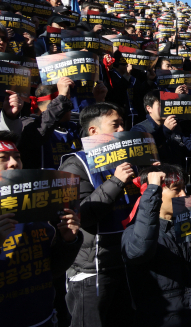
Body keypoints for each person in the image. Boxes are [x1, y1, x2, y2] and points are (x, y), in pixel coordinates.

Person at [121, 164, 191, 327]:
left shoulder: (186, 227)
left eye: (184, 188)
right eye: (176, 189)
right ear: (156, 192)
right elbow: (139, 251)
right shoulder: (133, 232)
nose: (184, 195)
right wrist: (152, 190)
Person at [59, 103, 138, 327]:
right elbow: (82, 214)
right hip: (93, 269)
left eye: (123, 123)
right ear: (93, 131)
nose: (123, 129)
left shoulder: (126, 161)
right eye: (116, 125)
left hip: (125, 261)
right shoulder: (75, 164)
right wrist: (116, 181)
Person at [0, 131, 83, 327]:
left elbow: (52, 269)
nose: (13, 163)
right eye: (3, 158)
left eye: (17, 158)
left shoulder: (39, 207)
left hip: (44, 317)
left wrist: (68, 241)